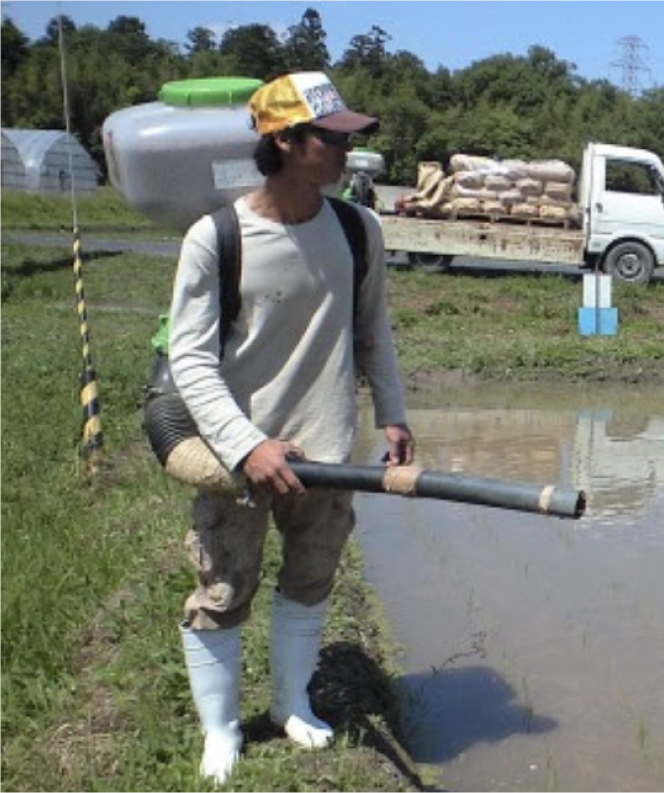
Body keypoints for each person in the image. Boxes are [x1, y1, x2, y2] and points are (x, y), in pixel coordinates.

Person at [167, 71, 414, 784]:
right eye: (330, 138)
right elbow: (189, 359)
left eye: (347, 137)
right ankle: (220, 729)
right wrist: (247, 445)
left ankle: (288, 704)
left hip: (330, 452)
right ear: (283, 142)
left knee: (310, 578)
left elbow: (375, 333)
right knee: (222, 588)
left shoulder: (357, 230)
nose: (346, 151)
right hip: (238, 455)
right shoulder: (217, 238)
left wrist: (392, 412)